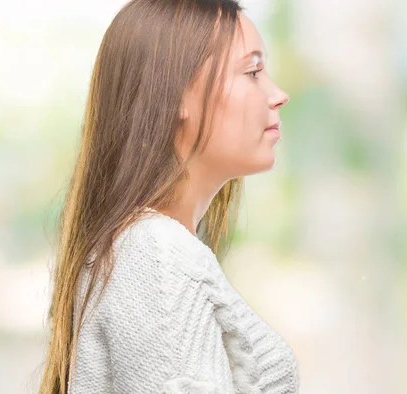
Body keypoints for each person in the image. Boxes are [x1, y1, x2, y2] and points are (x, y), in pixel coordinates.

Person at [39, 0, 298, 393]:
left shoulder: (145, 250)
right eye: (252, 71)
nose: (278, 95)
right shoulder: (155, 256)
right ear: (175, 93)